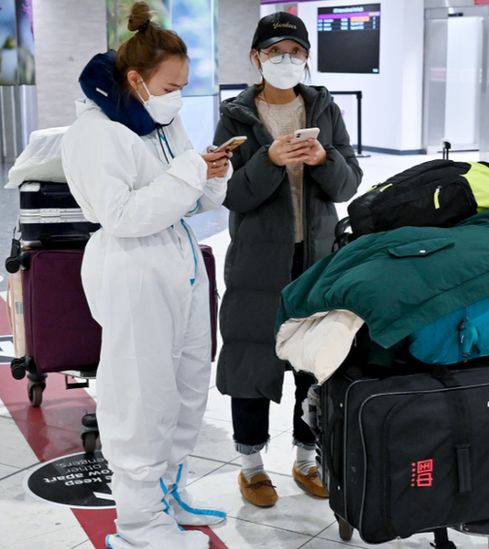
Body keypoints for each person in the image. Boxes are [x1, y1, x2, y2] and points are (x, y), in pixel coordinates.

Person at [61, 3, 231, 548]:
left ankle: (169, 494)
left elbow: (187, 195)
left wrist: (211, 175)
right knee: (140, 396)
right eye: (171, 84)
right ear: (136, 78)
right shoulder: (95, 133)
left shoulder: (161, 117)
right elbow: (123, 215)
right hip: (134, 268)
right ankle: (138, 524)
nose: (179, 94)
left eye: (185, 84)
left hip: (180, 262)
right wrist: (188, 172)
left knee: (184, 387)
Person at [213, 11, 363, 508]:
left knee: (313, 363)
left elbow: (348, 185)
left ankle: (307, 457)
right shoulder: (237, 116)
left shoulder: (324, 108)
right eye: (276, 51)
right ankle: (251, 466)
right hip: (258, 259)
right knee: (251, 355)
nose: (286, 60)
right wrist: (269, 161)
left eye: (296, 52)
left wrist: (324, 160)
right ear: (256, 57)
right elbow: (232, 194)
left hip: (316, 256)